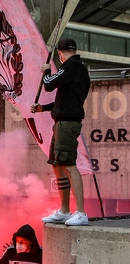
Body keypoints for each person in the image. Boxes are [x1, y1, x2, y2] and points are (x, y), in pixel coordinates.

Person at [32, 38, 91, 227]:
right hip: (62, 123)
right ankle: (65, 210)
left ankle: (80, 212)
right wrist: (43, 108)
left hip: (67, 124)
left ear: (60, 53)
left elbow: (49, 84)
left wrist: (47, 70)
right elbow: (63, 101)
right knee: (58, 164)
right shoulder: (76, 69)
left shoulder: (72, 66)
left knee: (68, 164)